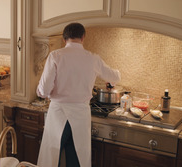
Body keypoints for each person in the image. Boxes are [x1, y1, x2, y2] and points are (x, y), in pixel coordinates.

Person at [36, 23, 121, 167]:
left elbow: (43, 91)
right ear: (83, 37)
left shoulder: (55, 56)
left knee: (51, 159)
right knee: (77, 158)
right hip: (81, 115)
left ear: (64, 39)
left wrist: (42, 92)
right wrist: (111, 81)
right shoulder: (93, 58)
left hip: (58, 113)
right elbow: (115, 77)